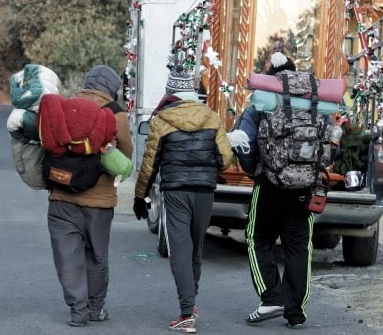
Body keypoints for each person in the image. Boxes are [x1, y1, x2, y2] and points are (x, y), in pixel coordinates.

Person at [134, 69, 235, 333]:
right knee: (195, 247)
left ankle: (187, 313)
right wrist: (205, 164)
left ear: (171, 94)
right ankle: (190, 302)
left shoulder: (161, 120)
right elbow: (225, 159)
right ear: (192, 92)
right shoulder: (211, 117)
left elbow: (149, 165)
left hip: (176, 192)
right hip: (204, 191)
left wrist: (139, 196)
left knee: (179, 250)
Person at [234, 52, 321, 330]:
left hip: (269, 184)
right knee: (298, 246)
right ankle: (295, 313)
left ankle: (271, 297)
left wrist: (254, 171)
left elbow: (244, 140)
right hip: (305, 185)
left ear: (271, 74)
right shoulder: (315, 101)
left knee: (257, 238)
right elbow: (330, 143)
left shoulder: (262, 99)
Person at [46, 65, 132, 327]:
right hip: (99, 202)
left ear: (87, 82)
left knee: (67, 257)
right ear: (111, 89)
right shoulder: (116, 114)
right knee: (96, 255)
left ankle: (78, 311)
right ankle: (95, 309)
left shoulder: (64, 106)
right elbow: (125, 155)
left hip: (62, 196)